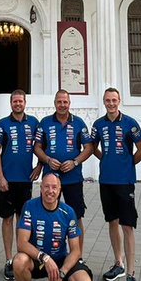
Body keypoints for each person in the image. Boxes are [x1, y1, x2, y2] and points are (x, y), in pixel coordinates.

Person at [13, 173, 94, 281]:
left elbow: (76, 250)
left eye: (54, 187)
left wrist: (61, 274)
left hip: (60, 260)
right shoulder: (30, 206)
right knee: (19, 261)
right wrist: (45, 258)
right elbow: (21, 243)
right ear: (41, 188)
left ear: (60, 189)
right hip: (38, 260)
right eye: (47, 187)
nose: (50, 191)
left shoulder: (68, 212)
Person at [90, 87, 141, 281]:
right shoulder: (98, 125)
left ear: (119, 101)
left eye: (114, 100)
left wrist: (126, 163)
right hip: (106, 181)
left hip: (124, 182)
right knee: (112, 222)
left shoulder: (130, 124)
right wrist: (104, 159)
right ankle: (118, 263)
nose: (111, 103)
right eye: (107, 100)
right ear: (104, 102)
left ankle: (131, 273)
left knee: (127, 225)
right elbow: (92, 147)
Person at [34, 90, 93, 255]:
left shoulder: (79, 123)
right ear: (55, 103)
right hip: (51, 181)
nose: (62, 105)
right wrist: (47, 160)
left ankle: (77, 257)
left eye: (65, 102)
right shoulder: (45, 123)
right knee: (49, 216)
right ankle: (51, 255)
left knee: (76, 217)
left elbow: (89, 147)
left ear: (69, 103)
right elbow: (37, 147)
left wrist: (75, 162)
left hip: (73, 179)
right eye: (59, 102)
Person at [0, 89, 41, 281]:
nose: (17, 104)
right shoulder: (3, 124)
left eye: (20, 101)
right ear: (11, 103)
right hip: (7, 181)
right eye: (14, 101)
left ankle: (22, 257)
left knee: (23, 221)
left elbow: (41, 146)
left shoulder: (34, 123)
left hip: (25, 180)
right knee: (7, 219)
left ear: (25, 102)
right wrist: (0, 177)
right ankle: (8, 260)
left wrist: (40, 165)